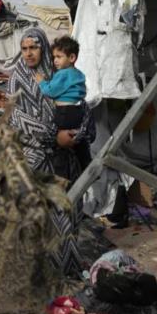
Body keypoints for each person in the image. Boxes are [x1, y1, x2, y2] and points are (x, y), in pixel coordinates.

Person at [8, 27, 95, 276]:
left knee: (65, 216)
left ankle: (65, 269)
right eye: (24, 49)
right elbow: (16, 118)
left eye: (33, 48)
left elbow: (82, 107)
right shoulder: (18, 79)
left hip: (65, 161)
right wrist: (53, 136)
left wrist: (78, 135)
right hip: (34, 158)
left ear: (43, 47)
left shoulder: (59, 71)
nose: (28, 54)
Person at [35, 35, 91, 171]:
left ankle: (57, 163)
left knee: (57, 139)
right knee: (78, 142)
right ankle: (87, 165)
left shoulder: (63, 74)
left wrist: (41, 81)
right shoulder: (78, 74)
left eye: (59, 57)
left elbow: (50, 91)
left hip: (64, 112)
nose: (55, 61)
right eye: (54, 57)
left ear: (72, 58)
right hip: (76, 111)